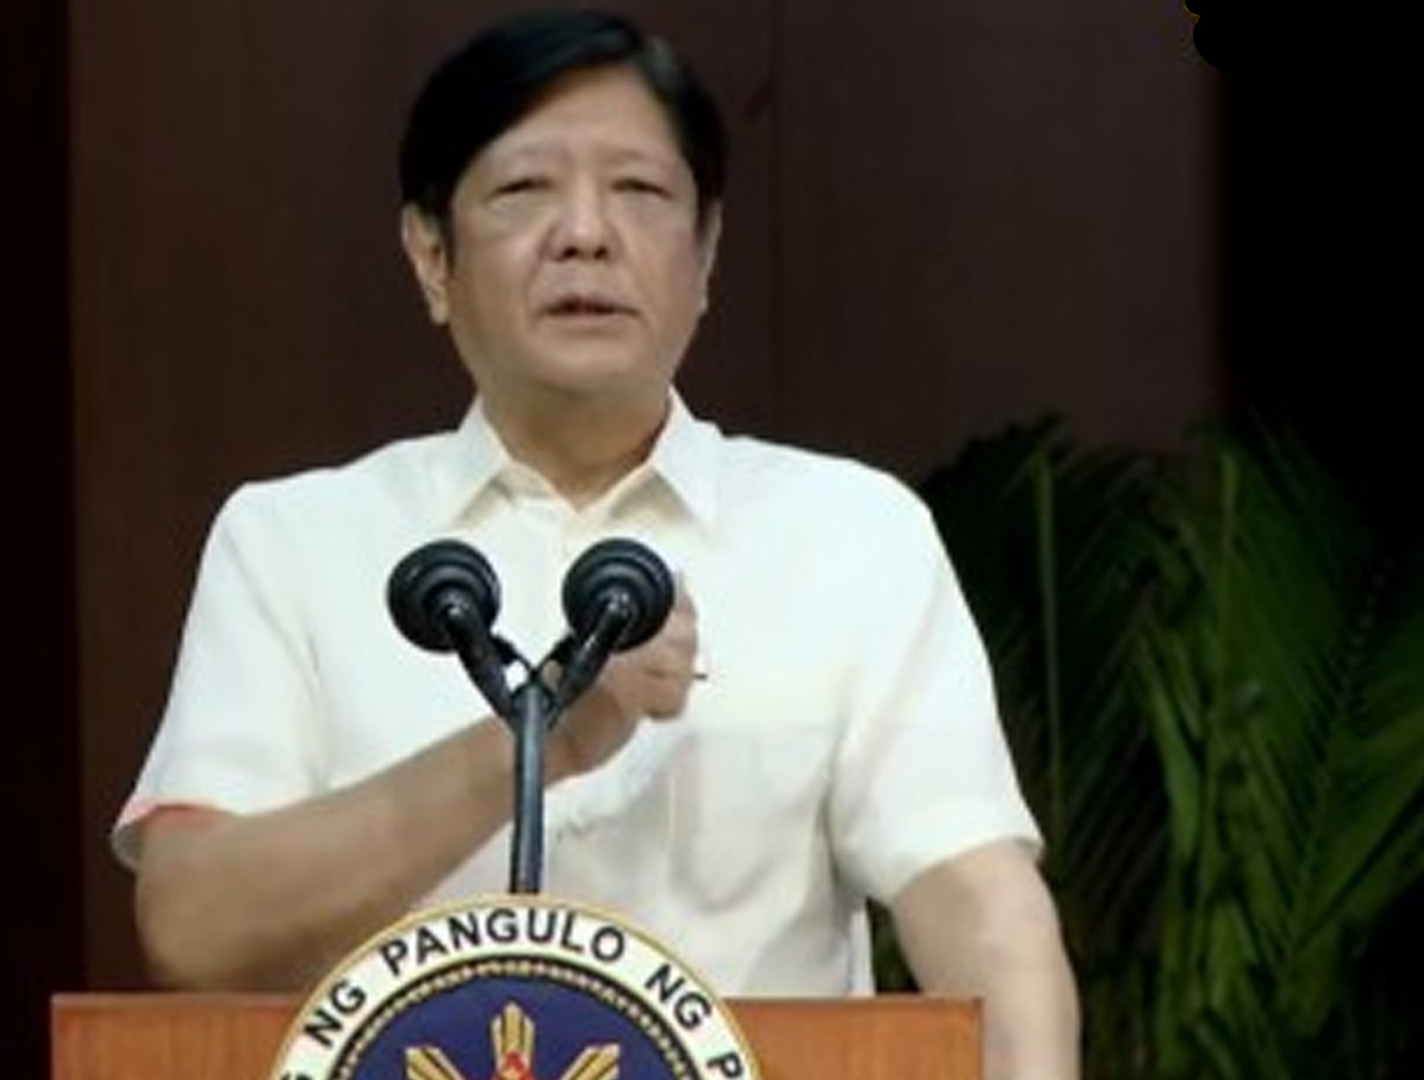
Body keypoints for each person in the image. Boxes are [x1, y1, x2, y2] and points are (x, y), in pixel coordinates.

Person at [112, 9, 1080, 1079]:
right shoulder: (293, 541)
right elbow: (192, 927)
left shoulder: (851, 534)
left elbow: (980, 907)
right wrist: (544, 737)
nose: (585, 233)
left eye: (640, 191)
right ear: (430, 256)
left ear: (706, 255)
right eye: (525, 189)